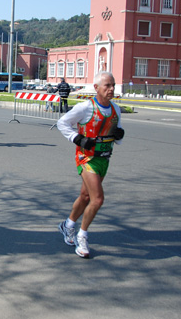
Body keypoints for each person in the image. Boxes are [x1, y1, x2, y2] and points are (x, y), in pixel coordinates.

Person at [56, 71, 124, 258]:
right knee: (98, 199)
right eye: (107, 86)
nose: (111, 89)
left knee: (86, 196)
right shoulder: (85, 107)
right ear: (96, 88)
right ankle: (82, 236)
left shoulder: (115, 109)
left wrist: (118, 135)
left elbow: (115, 133)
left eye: (113, 85)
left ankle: (68, 225)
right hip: (86, 159)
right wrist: (77, 138)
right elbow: (62, 123)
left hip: (104, 158)